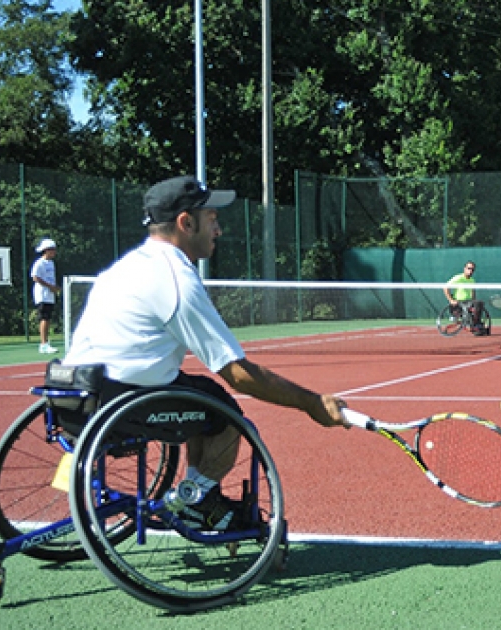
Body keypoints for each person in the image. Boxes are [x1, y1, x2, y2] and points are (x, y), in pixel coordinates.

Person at [62, 175, 348, 532]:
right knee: (225, 413)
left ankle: (197, 496)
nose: (219, 230)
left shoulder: (124, 267)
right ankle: (191, 502)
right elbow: (237, 373)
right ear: (186, 222)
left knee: (202, 394)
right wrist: (311, 403)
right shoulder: (176, 278)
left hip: (73, 396)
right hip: (122, 405)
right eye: (212, 220)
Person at [31, 238, 60, 354]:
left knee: (48, 318)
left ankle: (46, 342)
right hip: (42, 294)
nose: (54, 252)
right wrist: (49, 286)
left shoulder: (51, 263)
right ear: (46, 250)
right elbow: (35, 277)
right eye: (52, 250)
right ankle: (43, 344)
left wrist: (55, 287)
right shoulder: (39, 263)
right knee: (44, 318)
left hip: (49, 295)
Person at [443, 260, 488, 335]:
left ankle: (477, 324)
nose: (470, 271)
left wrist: (474, 304)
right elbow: (445, 287)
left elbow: (473, 294)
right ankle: (476, 325)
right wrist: (451, 300)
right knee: (478, 304)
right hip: (459, 303)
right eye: (469, 268)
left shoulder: (472, 280)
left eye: (472, 269)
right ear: (465, 268)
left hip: (468, 303)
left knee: (479, 303)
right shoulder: (458, 278)